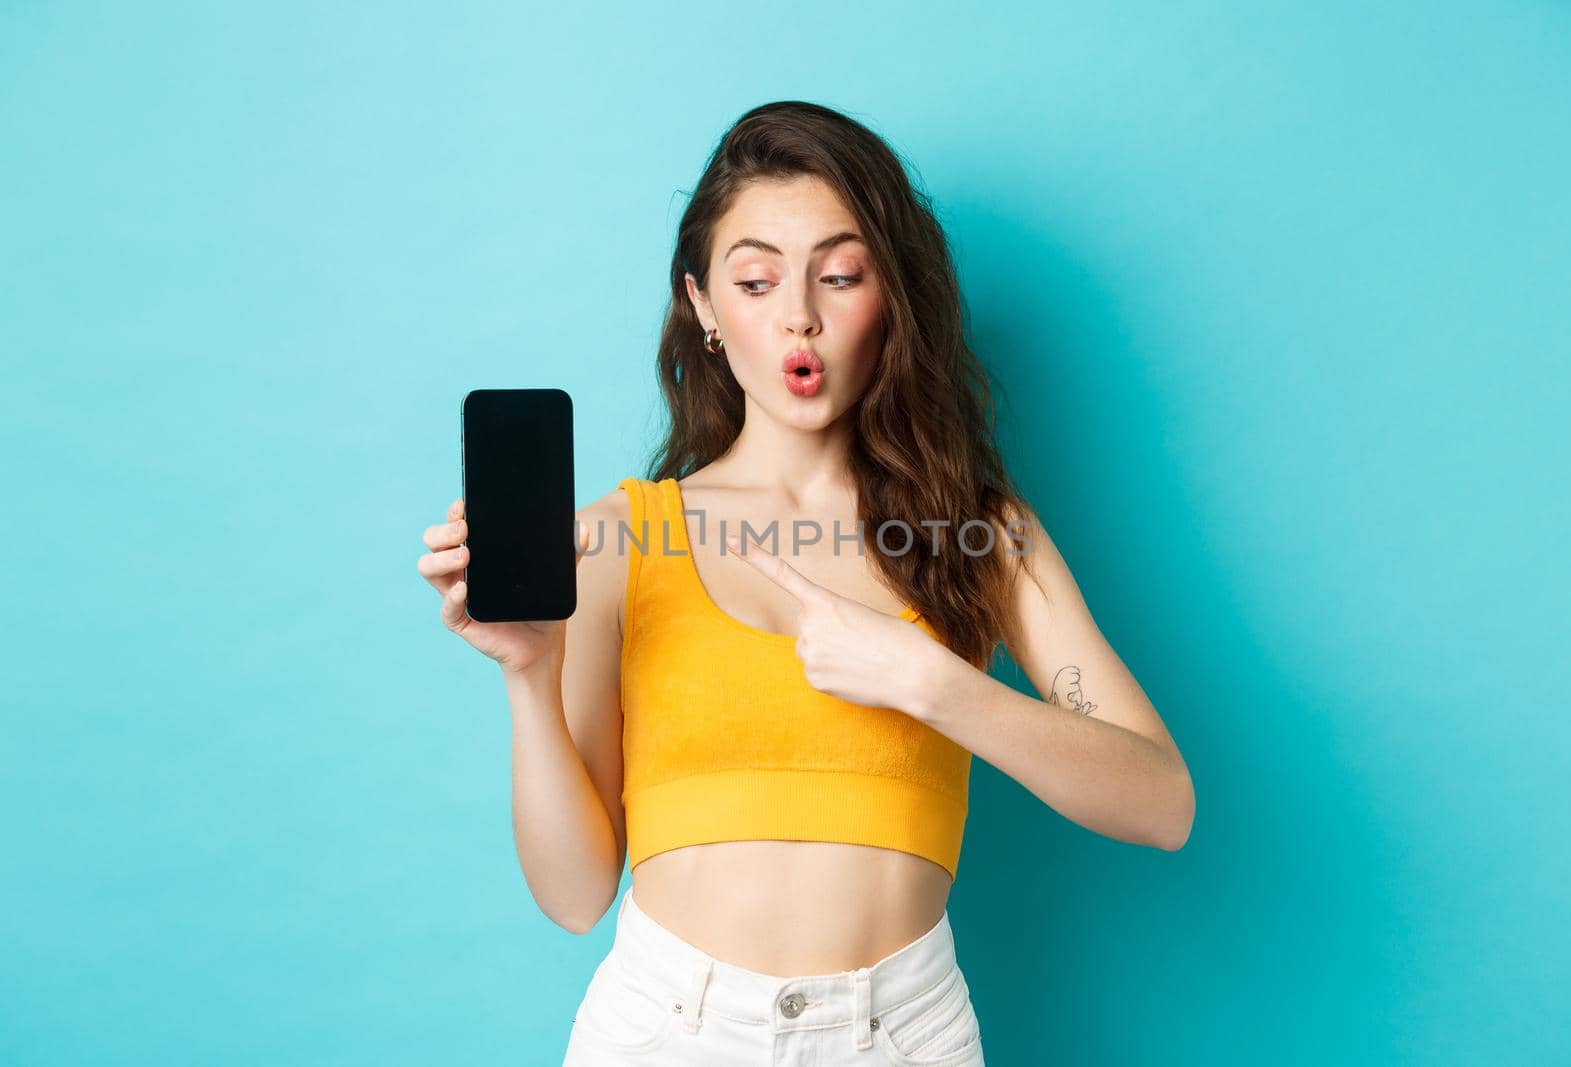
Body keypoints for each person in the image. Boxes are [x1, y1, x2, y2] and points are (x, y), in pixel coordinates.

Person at [417, 100, 1194, 1065]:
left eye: (839, 274)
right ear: (702, 305)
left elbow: (1163, 802)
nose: (800, 315)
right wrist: (529, 674)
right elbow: (576, 896)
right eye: (755, 278)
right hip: (666, 1029)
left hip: (903, 1032)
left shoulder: (982, 539)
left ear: (891, 296)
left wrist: (932, 681)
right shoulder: (623, 538)